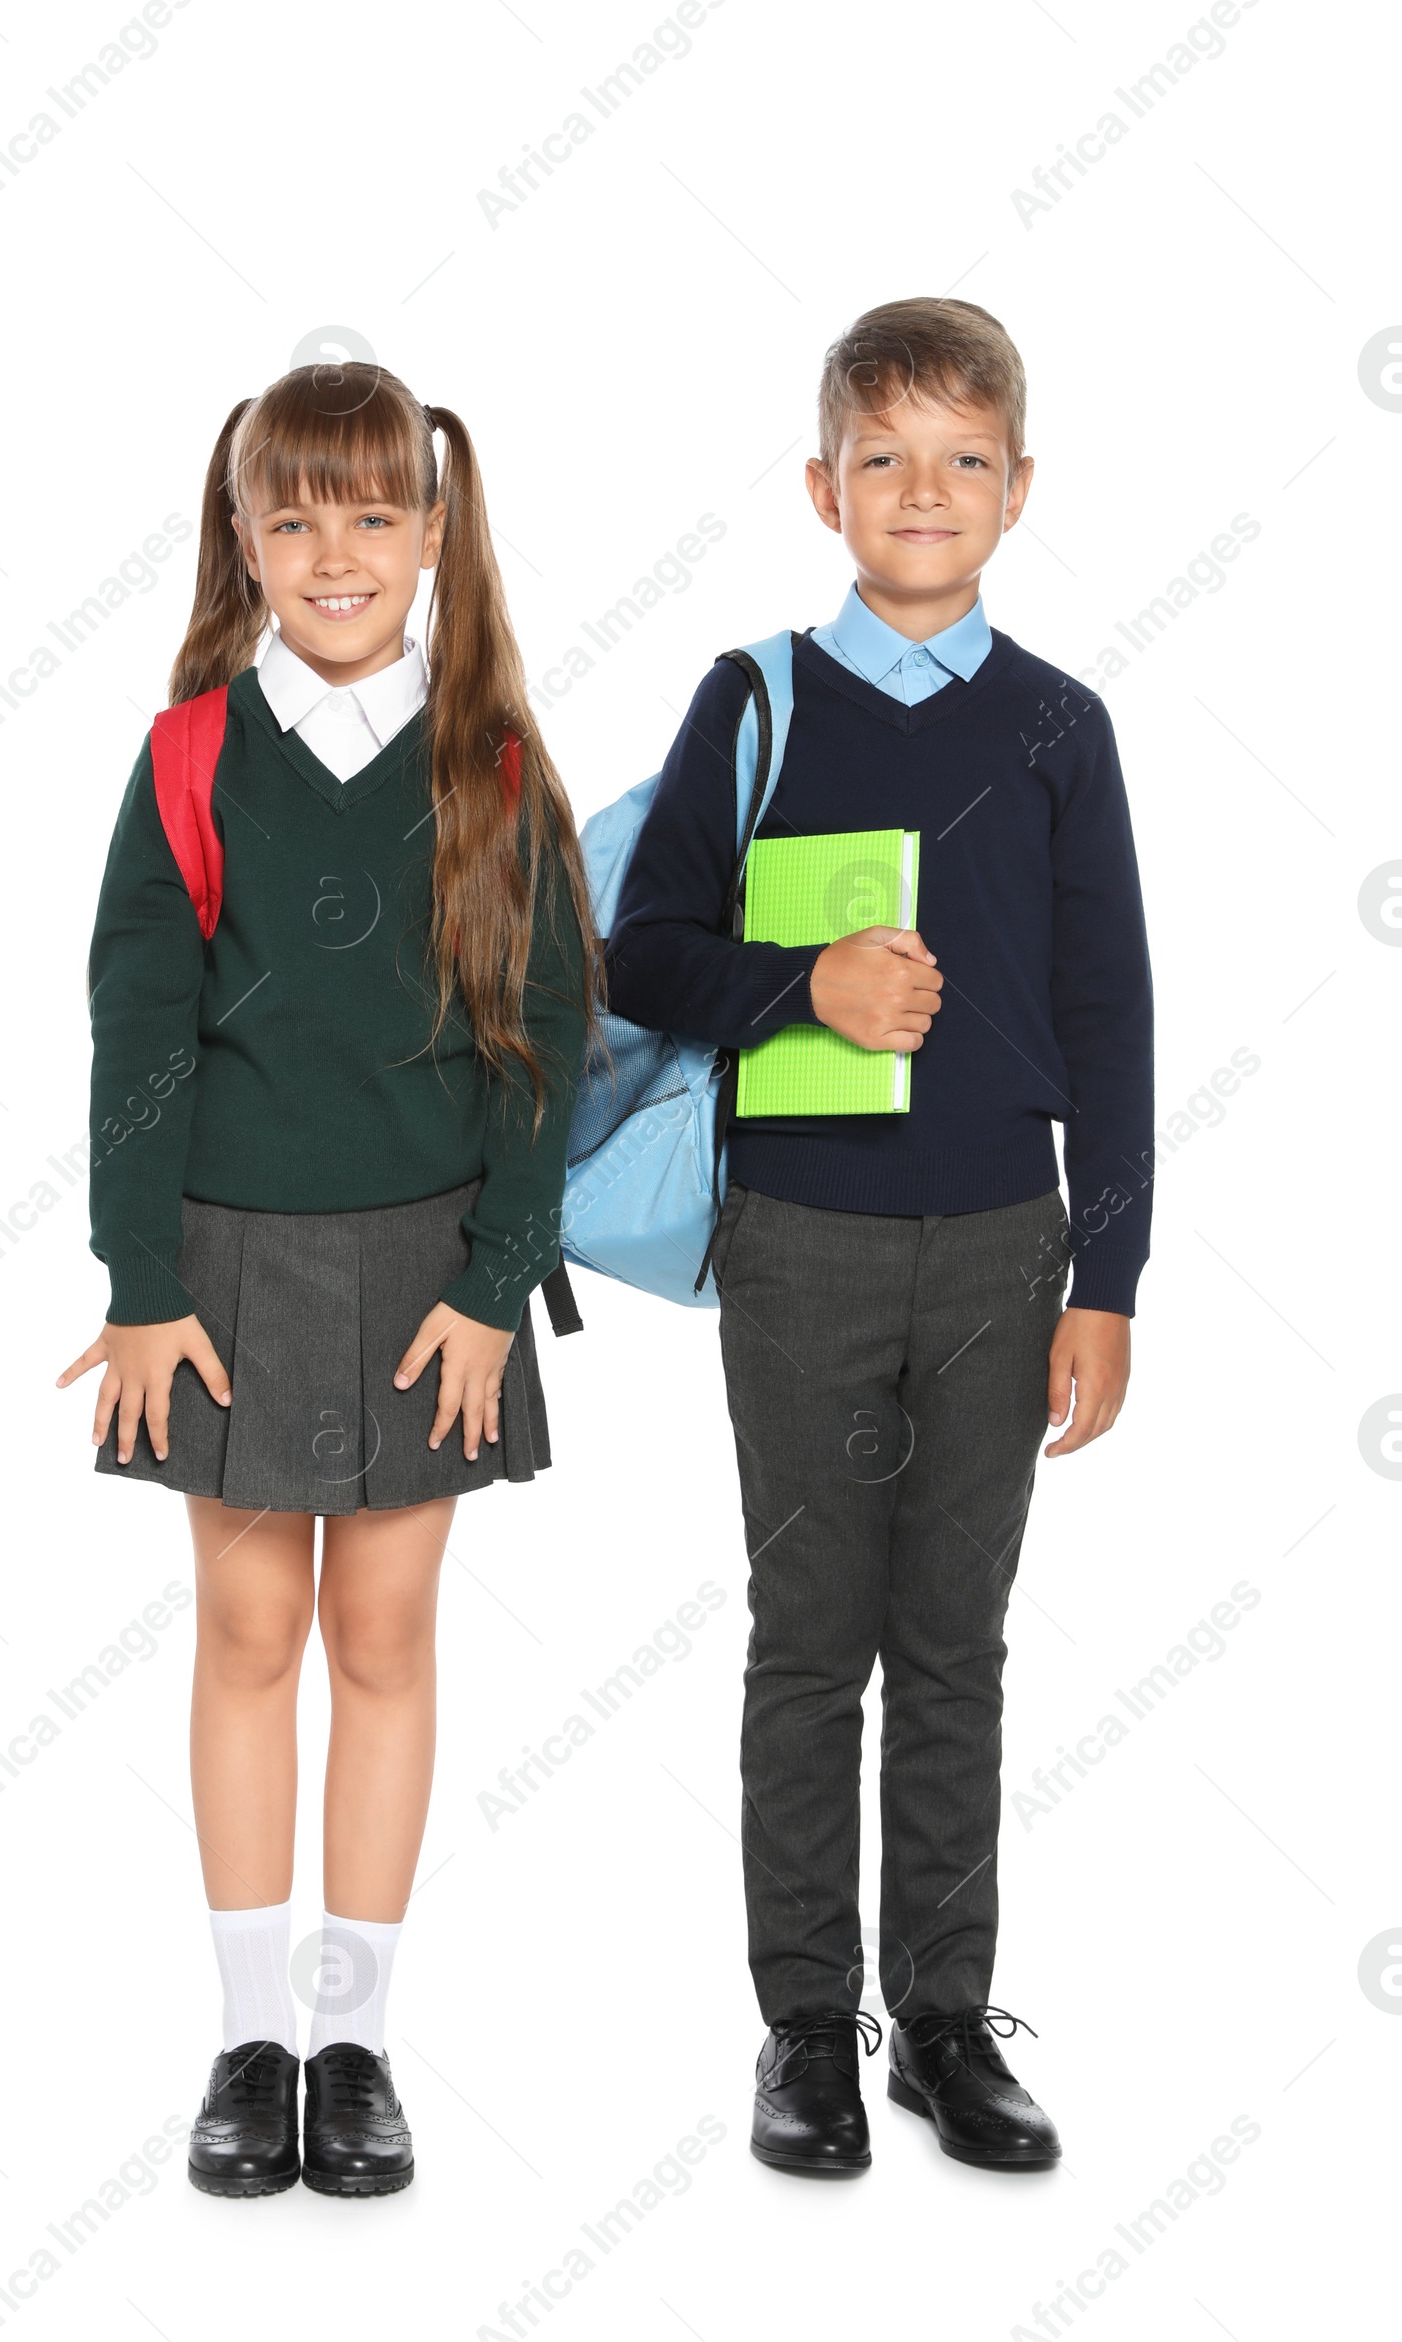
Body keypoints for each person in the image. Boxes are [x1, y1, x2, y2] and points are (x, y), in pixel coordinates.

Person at [606, 299, 1154, 2175]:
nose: (926, 491)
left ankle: (940, 2017)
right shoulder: (754, 697)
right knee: (805, 1641)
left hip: (1007, 1248)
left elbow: (1112, 1014)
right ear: (824, 482)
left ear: (1019, 487)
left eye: (965, 460)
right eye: (887, 457)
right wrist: (804, 984)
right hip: (803, 1246)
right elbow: (642, 950)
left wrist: (1111, 1273)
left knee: (959, 1645)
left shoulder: (1061, 725)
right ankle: (802, 2028)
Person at [58, 363, 594, 2198]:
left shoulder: (494, 762)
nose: (336, 551)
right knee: (243, 1634)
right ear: (245, 539)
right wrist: (140, 1283)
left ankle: (354, 2038)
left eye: (376, 514)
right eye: (294, 517)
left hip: (430, 1278)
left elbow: (546, 1037)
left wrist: (495, 1283)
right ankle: (248, 2039)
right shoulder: (192, 753)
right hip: (215, 1267)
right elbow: (139, 1027)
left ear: (435, 537)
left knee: (381, 1636)